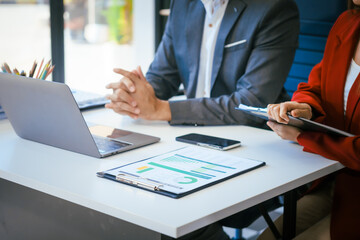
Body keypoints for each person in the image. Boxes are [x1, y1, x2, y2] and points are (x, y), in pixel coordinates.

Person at [105, 0, 299, 127]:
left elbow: (252, 104)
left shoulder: (273, 9)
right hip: (189, 130)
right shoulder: (182, 4)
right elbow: (162, 76)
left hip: (246, 137)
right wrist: (134, 97)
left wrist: (162, 109)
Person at [259, 1, 360, 239]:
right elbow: (316, 85)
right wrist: (303, 107)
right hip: (336, 182)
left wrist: (303, 137)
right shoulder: (347, 24)